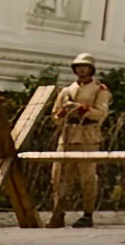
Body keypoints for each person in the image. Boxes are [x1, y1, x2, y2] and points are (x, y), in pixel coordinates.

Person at [46, 54, 109, 229]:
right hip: (67, 137)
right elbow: (55, 115)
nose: (82, 70)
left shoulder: (99, 90)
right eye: (78, 66)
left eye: (85, 67)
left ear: (91, 69)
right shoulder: (66, 91)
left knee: (87, 178)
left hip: (88, 137)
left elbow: (100, 114)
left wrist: (82, 110)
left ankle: (87, 214)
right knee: (59, 177)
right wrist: (63, 113)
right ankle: (58, 212)